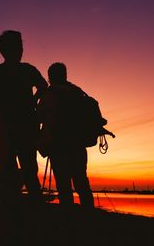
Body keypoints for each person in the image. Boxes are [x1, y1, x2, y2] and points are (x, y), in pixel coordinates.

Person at [0, 30, 48, 203]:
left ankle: (16, 211)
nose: (21, 50)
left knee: (15, 172)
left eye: (21, 46)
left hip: (9, 129)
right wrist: (34, 102)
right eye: (19, 46)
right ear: (8, 49)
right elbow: (44, 87)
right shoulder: (26, 70)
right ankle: (28, 211)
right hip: (18, 128)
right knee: (27, 171)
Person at [37, 62, 94, 208]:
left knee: (63, 186)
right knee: (81, 182)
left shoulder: (49, 94)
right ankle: (89, 217)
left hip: (58, 145)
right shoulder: (77, 91)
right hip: (78, 144)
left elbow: (40, 117)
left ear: (50, 77)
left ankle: (68, 220)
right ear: (65, 74)